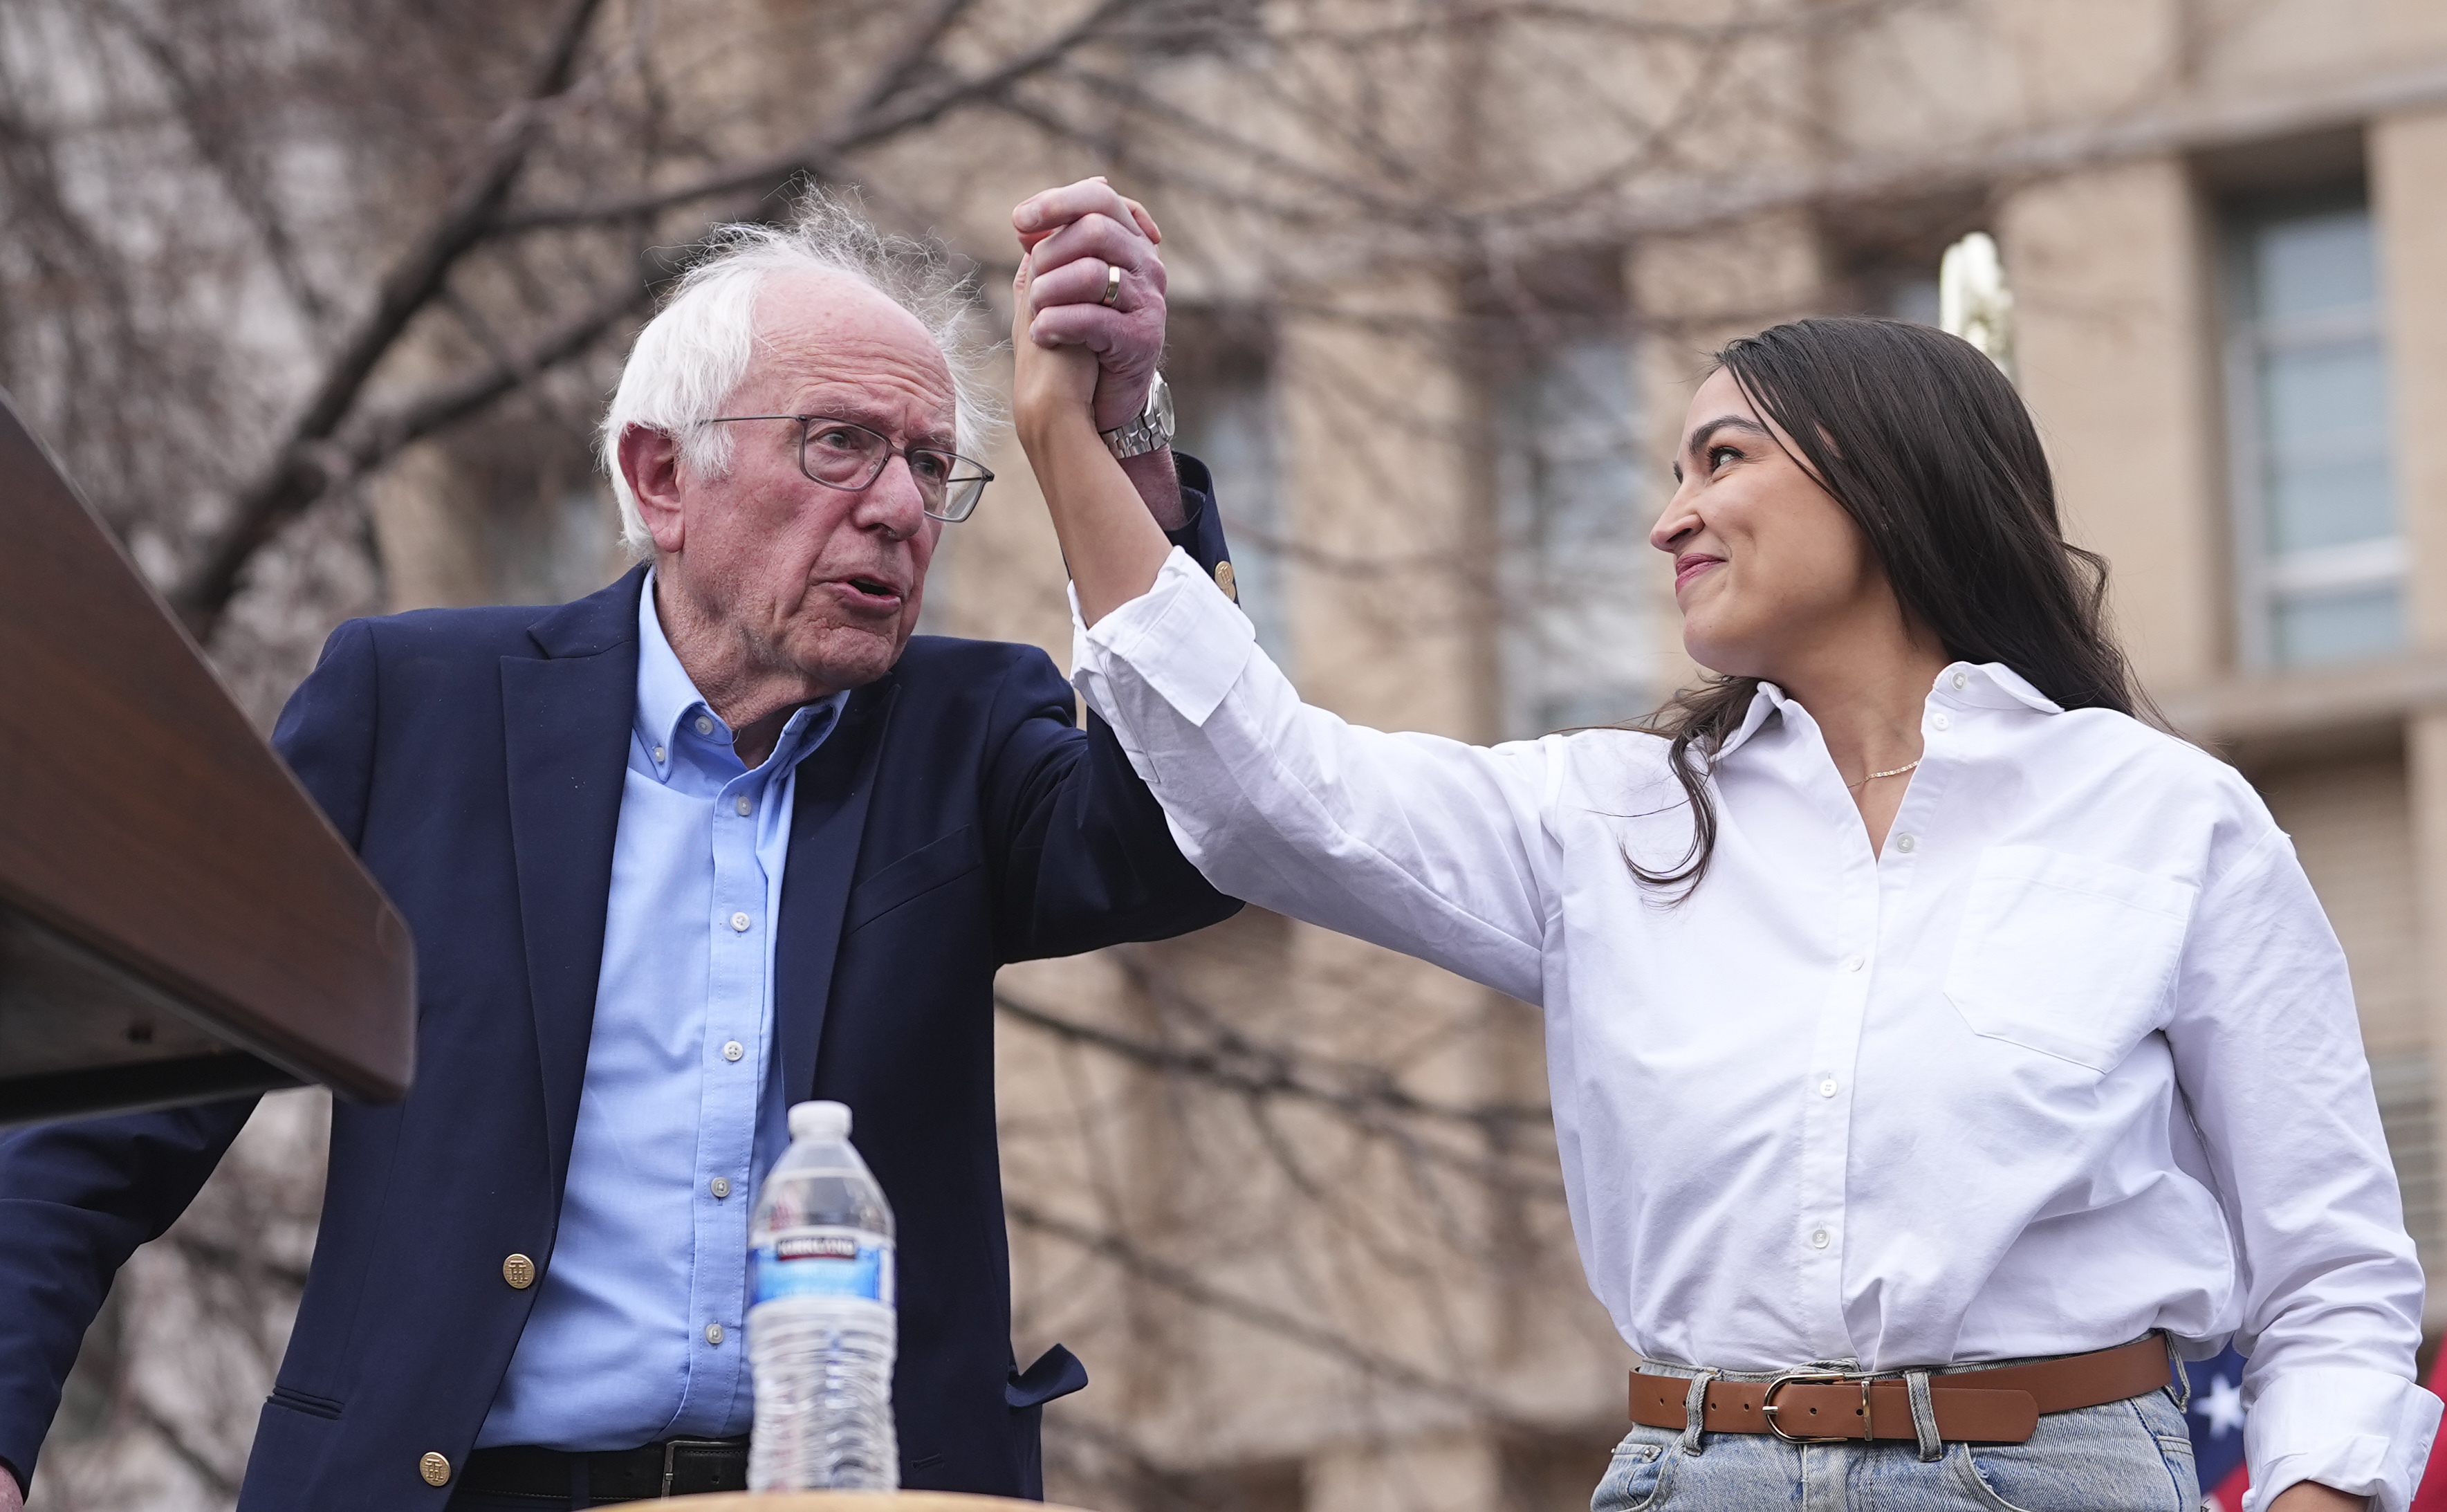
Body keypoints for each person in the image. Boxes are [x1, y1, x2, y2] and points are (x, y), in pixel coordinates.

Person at [1010, 255, 2440, 1512]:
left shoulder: (2163, 820)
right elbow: (1270, 796)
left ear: (1881, 474)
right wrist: (1081, 439)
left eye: (1718, 460)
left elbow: (2331, 1274)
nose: (1668, 518)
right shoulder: (1611, 818)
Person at [0, 181, 1233, 1512]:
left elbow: (1188, 836)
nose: (897, 507)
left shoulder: (967, 731)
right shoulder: (416, 710)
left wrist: (1121, 443)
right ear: (662, 478)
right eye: (839, 445)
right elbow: (118, 1113)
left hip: (846, 1489)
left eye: (930, 465)